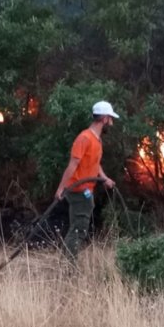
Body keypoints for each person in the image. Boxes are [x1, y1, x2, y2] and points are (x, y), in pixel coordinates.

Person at [54, 101, 119, 260]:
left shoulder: (97, 140)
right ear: (104, 119)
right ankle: (67, 267)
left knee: (79, 227)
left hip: (86, 190)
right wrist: (61, 188)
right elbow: (73, 165)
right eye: (110, 118)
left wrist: (104, 179)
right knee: (79, 230)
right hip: (78, 191)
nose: (111, 122)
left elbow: (94, 164)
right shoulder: (84, 138)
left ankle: (67, 263)